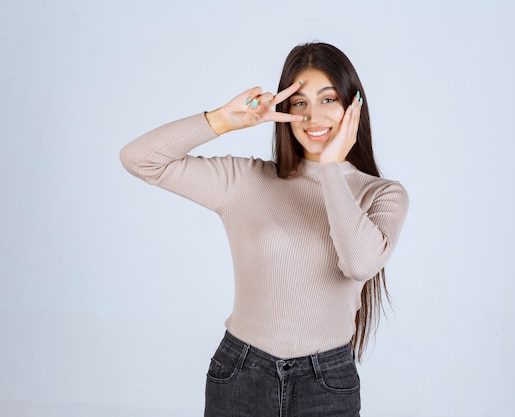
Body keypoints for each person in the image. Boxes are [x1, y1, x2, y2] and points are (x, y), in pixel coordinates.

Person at [120, 42, 408, 417]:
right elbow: (140, 159)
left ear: (353, 107)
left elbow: (359, 264)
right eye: (299, 103)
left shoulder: (381, 195)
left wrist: (331, 170)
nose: (313, 116)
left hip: (327, 383)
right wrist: (223, 120)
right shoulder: (246, 180)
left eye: (328, 99)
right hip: (242, 373)